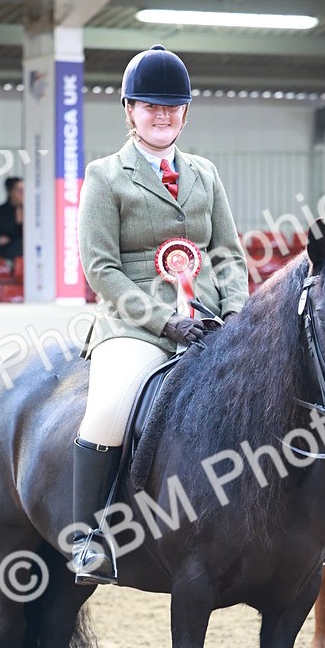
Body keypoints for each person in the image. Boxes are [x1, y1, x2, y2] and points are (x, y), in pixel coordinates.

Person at [73, 44, 250, 584]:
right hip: (134, 326)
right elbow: (101, 269)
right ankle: (88, 538)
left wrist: (236, 315)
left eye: (171, 107)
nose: (161, 115)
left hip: (211, 322)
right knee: (110, 408)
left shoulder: (205, 173)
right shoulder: (105, 177)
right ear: (129, 110)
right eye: (150, 106)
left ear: (185, 113)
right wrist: (165, 322)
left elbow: (228, 255)